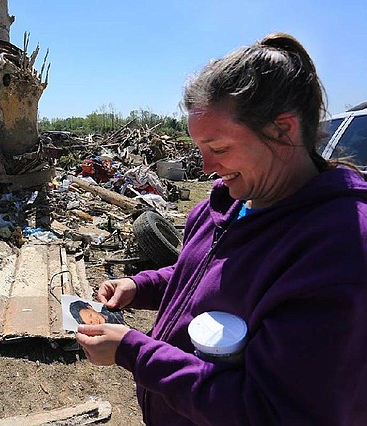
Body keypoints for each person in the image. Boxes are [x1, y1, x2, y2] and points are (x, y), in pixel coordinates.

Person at [76, 33, 367, 425]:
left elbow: (269, 411)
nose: (206, 166)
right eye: (200, 148)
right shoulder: (227, 205)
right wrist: (141, 286)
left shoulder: (337, 251)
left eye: (220, 147)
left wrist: (134, 352)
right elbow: (205, 276)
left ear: (283, 130)